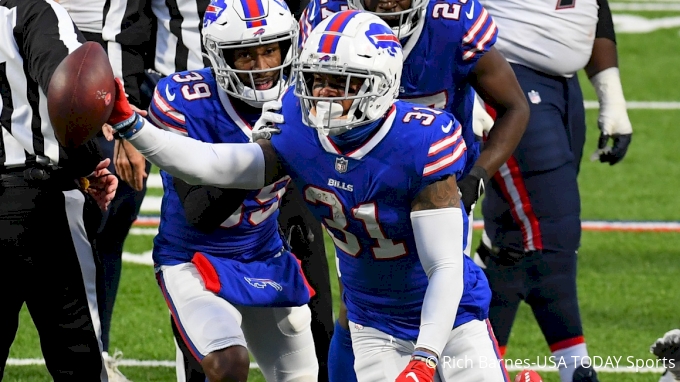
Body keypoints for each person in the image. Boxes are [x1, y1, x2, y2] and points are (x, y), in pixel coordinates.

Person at [110, 10, 522, 382]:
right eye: (317, 80)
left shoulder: (421, 140)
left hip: (451, 320)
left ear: (380, 85)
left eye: (341, 83)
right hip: (371, 322)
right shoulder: (299, 131)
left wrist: (425, 357)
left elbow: (446, 267)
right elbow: (212, 164)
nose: (323, 95)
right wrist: (132, 126)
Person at [297, 0, 530, 378]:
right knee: (359, 301)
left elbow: (515, 107)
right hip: (359, 174)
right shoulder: (328, 18)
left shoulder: (454, 22)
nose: (389, 1)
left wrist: (477, 176)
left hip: (435, 177)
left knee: (437, 288)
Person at [104, 1, 335, 379]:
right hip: (193, 256)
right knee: (227, 364)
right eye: (245, 55)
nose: (263, 67)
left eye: (270, 50)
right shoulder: (186, 102)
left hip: (262, 250)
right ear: (217, 55)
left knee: (303, 372)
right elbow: (201, 212)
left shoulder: (302, 100)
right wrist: (253, 154)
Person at [470, 0, 633, 381]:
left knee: (513, 242)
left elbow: (594, 6)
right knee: (550, 235)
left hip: (563, 84)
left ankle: (469, 368)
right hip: (507, 76)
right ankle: (576, 369)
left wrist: (610, 92)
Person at [0, 0, 118, 380]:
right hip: (37, 197)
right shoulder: (35, 11)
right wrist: (87, 166)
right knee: (79, 358)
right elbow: (71, 98)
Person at [55, 1, 155, 380]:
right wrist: (122, 119)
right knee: (86, 240)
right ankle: (93, 359)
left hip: (106, 93)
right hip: (88, 99)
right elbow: (109, 35)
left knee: (104, 241)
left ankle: (98, 353)